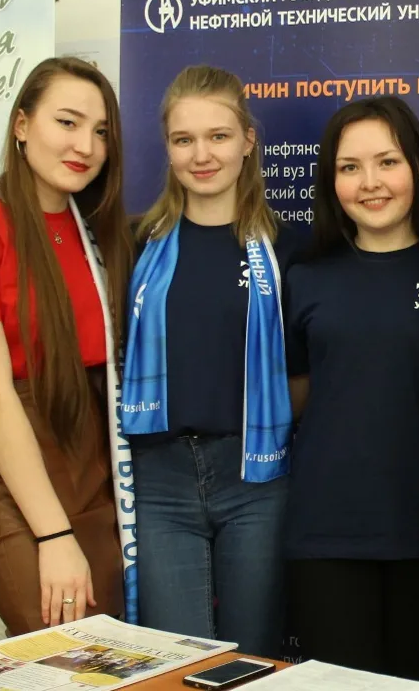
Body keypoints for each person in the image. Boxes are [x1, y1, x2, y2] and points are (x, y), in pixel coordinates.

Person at [0, 57, 134, 635]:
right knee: (64, 644)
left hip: (91, 452)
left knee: (112, 643)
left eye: (101, 131)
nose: (85, 146)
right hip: (6, 457)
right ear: (21, 124)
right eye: (67, 122)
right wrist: (54, 534)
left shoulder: (98, 230)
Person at [121, 65, 298, 653]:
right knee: (174, 663)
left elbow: (306, 374)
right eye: (184, 139)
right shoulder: (135, 245)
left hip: (256, 478)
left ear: (248, 141)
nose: (202, 155)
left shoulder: (290, 249)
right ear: (167, 147)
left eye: (218, 136)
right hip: (160, 478)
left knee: (253, 659)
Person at [282, 96, 419, 681]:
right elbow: (299, 397)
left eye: (387, 162)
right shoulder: (305, 276)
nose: (370, 183)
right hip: (326, 534)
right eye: (350, 167)